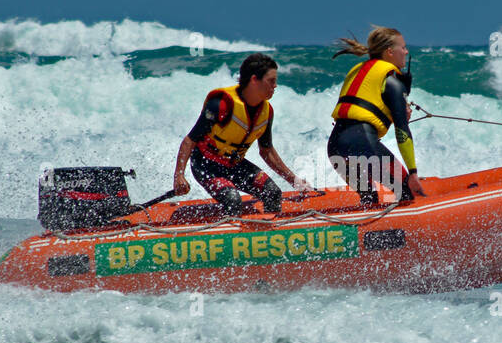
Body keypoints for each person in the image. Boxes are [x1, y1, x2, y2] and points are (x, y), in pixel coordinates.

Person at [173, 53, 310, 214]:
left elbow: (267, 151)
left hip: (235, 165)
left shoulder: (266, 112)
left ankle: (270, 233)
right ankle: (222, 230)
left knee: (273, 193)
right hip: (206, 165)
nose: (275, 86)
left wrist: (294, 181)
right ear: (254, 80)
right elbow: (190, 140)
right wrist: (179, 175)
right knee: (233, 200)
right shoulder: (221, 104)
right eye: (271, 81)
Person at [327, 27, 426, 205]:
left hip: (335, 148)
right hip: (363, 146)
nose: (406, 51)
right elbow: (402, 131)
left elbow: (365, 104)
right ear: (389, 52)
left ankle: (360, 231)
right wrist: (412, 173)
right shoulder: (392, 80)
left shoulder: (358, 70)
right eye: (402, 47)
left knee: (369, 199)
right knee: (406, 194)